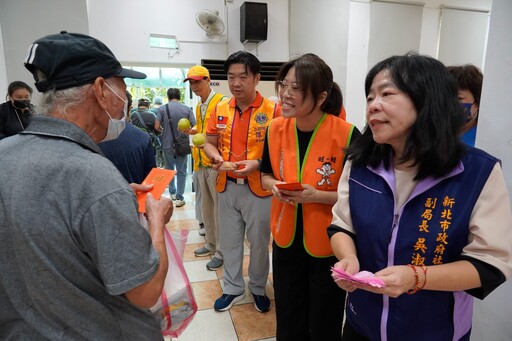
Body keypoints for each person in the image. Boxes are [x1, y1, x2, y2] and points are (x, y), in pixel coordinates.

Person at [0, 32, 173, 340]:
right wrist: (155, 220)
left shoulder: (5, 154)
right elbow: (145, 292)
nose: (124, 101)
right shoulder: (93, 175)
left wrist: (110, 202)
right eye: (122, 88)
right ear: (100, 90)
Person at [328, 53, 512, 341]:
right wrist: (348, 258)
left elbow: (491, 264)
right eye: (369, 97)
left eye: (386, 93)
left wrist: (416, 277)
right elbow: (341, 226)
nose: (373, 106)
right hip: (361, 324)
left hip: (435, 332)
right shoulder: (360, 163)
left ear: (427, 99)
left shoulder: (478, 172)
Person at [260, 53, 361, 341]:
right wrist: (275, 187)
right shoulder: (275, 128)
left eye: (296, 88)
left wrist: (317, 195)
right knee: (289, 315)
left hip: (329, 243)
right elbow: (265, 174)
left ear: (320, 96)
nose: (285, 94)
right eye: (284, 85)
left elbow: (356, 195)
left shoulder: (347, 134)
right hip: (285, 240)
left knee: (324, 319)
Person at [204, 50, 281, 313]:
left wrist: (258, 165)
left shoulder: (274, 111)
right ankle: (232, 287)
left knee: (259, 242)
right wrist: (214, 157)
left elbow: (282, 151)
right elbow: (209, 143)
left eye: (242, 77)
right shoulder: (220, 108)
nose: (236, 83)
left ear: (257, 78)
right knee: (229, 240)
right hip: (226, 186)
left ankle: (258, 287)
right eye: (231, 77)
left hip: (259, 189)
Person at [184, 65, 228, 271]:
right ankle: (211, 244)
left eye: (197, 81)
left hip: (215, 163)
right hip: (200, 162)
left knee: (219, 210)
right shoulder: (199, 106)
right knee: (207, 208)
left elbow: (225, 132)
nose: (194, 85)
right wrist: (192, 131)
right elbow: (205, 132)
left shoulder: (222, 102)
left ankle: (221, 251)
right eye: (191, 82)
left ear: (208, 80)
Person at [99, 91, 156, 184]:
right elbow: (151, 179)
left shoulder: (92, 137)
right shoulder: (143, 138)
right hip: (136, 197)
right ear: (129, 109)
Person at [155, 88, 195, 207]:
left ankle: (171, 193)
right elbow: (194, 125)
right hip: (182, 145)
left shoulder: (162, 108)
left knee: (169, 170)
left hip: (167, 144)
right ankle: (179, 197)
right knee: (182, 171)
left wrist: (164, 131)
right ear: (179, 96)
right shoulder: (187, 109)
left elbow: (156, 126)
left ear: (168, 96)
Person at [447, 64, 483, 146]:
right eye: (445, 97)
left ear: (478, 102)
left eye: (459, 98)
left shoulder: (482, 140)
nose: (449, 103)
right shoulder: (430, 136)